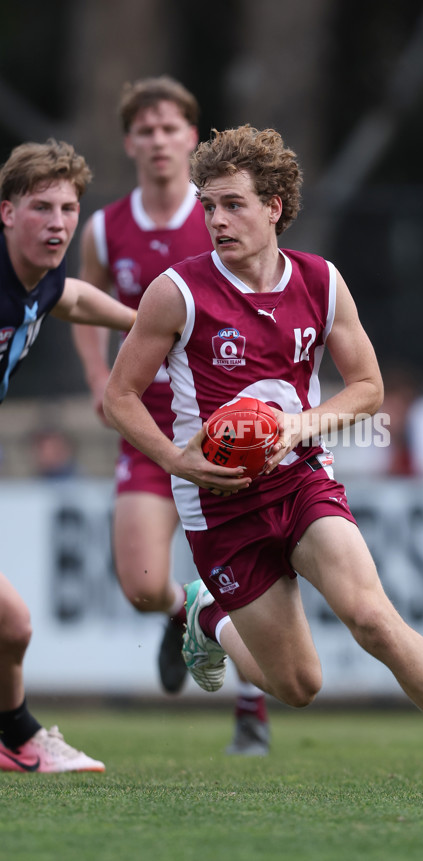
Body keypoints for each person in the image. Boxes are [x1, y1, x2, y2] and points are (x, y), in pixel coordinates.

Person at [103, 124, 423, 796]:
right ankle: (206, 616)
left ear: (274, 204)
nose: (216, 219)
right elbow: (119, 396)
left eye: (233, 204)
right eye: (208, 205)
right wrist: (174, 461)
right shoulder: (175, 292)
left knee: (371, 614)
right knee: (299, 685)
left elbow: (368, 388)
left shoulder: (320, 281)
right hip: (217, 505)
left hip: (301, 477)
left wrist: (297, 426)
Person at [72, 77, 270, 755]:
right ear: (130, 142)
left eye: (170, 128)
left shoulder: (217, 215)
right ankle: (191, 611)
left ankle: (252, 708)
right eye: (146, 130)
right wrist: (101, 377)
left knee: (255, 576)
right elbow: (82, 301)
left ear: (193, 138)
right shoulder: (105, 227)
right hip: (149, 430)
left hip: (224, 426)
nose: (159, 140)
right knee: (140, 585)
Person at [0, 138, 136, 772]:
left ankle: (16, 739)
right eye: (40, 208)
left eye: (67, 208)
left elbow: (74, 298)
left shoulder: (42, 277)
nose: (57, 223)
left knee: (12, 628)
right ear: (6, 212)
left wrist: (148, 323)